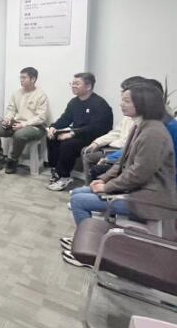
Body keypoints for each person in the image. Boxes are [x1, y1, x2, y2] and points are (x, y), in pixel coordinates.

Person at [61, 84, 176, 267]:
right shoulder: (140, 126)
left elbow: (138, 174)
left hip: (148, 198)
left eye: (127, 100)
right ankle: (83, 239)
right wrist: (103, 179)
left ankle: (90, 255)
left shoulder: (154, 133)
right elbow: (122, 163)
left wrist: (107, 187)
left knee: (79, 201)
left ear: (143, 103)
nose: (121, 104)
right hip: (135, 190)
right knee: (77, 193)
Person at [46, 73, 113, 191]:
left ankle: (64, 177)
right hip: (78, 133)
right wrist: (53, 127)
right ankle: (56, 170)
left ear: (88, 86)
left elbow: (96, 128)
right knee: (52, 137)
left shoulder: (100, 104)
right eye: (72, 83)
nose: (73, 86)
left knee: (68, 144)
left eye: (77, 83)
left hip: (94, 137)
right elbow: (65, 119)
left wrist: (72, 134)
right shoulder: (74, 102)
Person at [81, 76, 145, 181]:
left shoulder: (145, 123)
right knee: (87, 151)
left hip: (120, 151)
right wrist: (97, 143)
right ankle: (90, 185)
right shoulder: (129, 116)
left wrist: (108, 157)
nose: (121, 103)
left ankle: (94, 185)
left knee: (93, 160)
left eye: (126, 99)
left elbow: (129, 147)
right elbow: (116, 132)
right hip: (118, 148)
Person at [0, 67, 50, 174]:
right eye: (20, 77)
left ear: (33, 79)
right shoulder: (17, 93)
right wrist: (8, 118)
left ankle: (13, 159)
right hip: (16, 124)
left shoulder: (41, 95)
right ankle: (0, 156)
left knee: (19, 134)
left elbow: (41, 117)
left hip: (35, 127)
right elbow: (11, 109)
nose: (21, 80)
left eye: (24, 77)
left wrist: (24, 124)